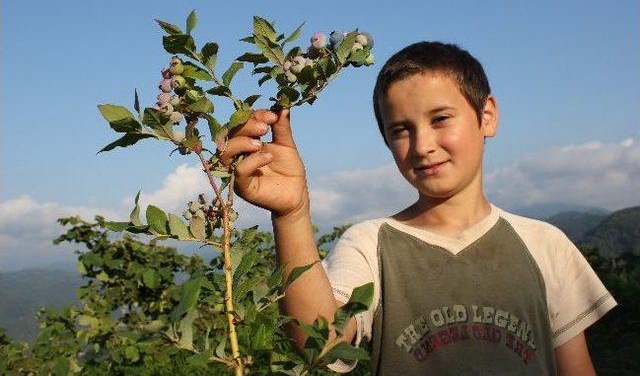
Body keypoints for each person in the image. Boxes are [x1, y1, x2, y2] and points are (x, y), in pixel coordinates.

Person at [217, 41, 617, 375]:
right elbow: (321, 343)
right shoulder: (371, 245)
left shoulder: (545, 244)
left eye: (440, 118)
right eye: (401, 130)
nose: (422, 145)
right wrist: (292, 214)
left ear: (487, 116)